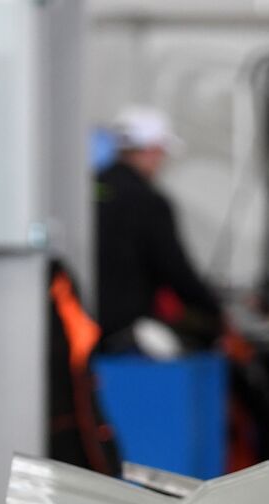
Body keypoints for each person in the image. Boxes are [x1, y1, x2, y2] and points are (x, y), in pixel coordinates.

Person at [95, 105, 223, 352]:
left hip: (81, 329)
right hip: (127, 332)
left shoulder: (90, 189)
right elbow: (174, 268)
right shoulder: (147, 201)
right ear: (151, 149)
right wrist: (214, 312)